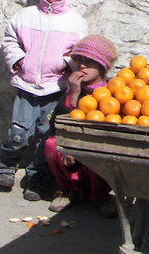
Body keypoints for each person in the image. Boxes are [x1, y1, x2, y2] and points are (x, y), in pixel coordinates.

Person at [0, 0, 87, 201]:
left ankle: (37, 177)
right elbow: (10, 40)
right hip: (26, 86)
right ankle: (5, 165)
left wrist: (66, 64)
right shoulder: (25, 16)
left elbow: (79, 51)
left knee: (46, 134)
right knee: (18, 132)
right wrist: (18, 59)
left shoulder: (75, 22)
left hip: (54, 88)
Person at [42, 34, 117, 217]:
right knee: (52, 144)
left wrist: (78, 147)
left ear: (101, 65)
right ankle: (68, 190)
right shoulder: (71, 89)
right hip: (71, 153)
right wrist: (74, 95)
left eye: (89, 61)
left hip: (93, 150)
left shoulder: (111, 93)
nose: (82, 65)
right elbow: (58, 123)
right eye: (78, 60)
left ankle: (100, 196)